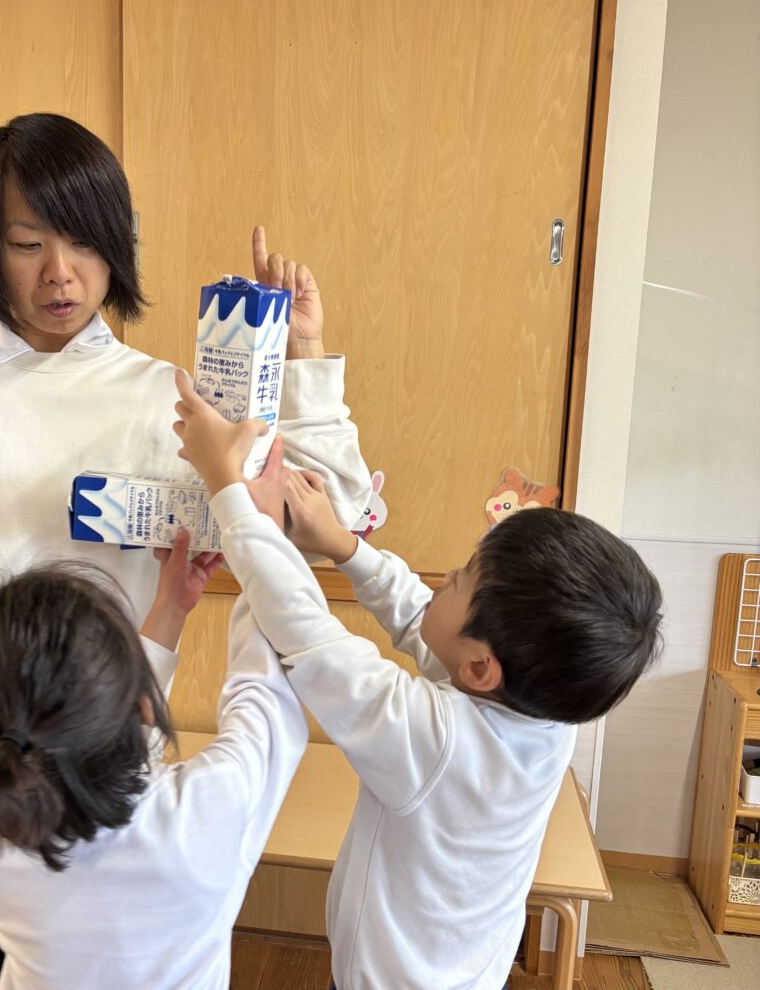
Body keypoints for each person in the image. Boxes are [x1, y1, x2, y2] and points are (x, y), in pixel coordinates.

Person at [0, 112, 369, 990]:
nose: (61, 272)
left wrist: (301, 356)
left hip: (92, 790)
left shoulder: (168, 400)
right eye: (26, 243)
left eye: (84, 241)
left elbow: (329, 520)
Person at [172, 372, 664, 990]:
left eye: (459, 579)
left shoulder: (438, 742)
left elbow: (308, 634)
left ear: (481, 668)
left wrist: (230, 492)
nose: (443, 579)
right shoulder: (543, 712)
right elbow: (423, 621)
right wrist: (344, 546)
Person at [0, 524, 307, 990]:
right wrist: (263, 543)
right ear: (141, 705)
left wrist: (171, 607)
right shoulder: (206, 806)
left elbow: (92, 735)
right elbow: (265, 697)